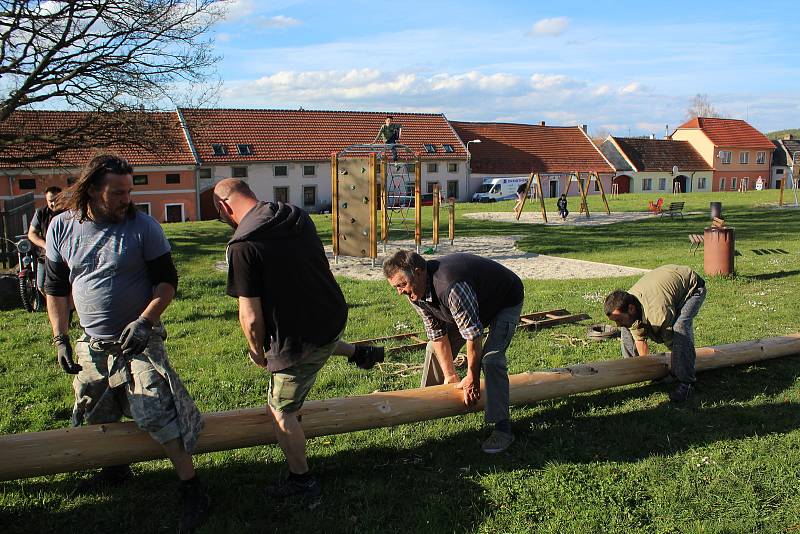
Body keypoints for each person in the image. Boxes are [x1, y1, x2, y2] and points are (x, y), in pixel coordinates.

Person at [44, 154, 209, 533]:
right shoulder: (61, 228)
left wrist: (145, 320)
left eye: (129, 191)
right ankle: (114, 470)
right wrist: (60, 337)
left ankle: (192, 488)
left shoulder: (143, 227)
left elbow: (167, 283)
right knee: (92, 410)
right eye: (117, 192)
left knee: (157, 411)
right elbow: (54, 288)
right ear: (91, 191)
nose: (126, 199)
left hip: (138, 339)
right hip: (91, 343)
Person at [214, 178, 383, 506]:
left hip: (300, 338)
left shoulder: (242, 245)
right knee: (317, 343)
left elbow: (250, 317)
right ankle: (358, 352)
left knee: (281, 410)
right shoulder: (293, 214)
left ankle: (301, 480)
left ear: (224, 207)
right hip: (331, 315)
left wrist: (256, 351)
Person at [383, 250, 523, 454]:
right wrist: (450, 375)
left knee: (491, 360)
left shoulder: (451, 286)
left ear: (419, 272)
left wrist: (472, 378)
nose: (400, 292)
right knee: (434, 348)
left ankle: (503, 428)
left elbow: (473, 335)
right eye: (396, 287)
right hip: (472, 305)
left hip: (504, 300)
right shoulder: (415, 292)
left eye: (401, 284)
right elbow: (437, 334)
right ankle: (426, 404)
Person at [604, 265, 707, 402]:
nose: (616, 324)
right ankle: (631, 369)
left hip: (692, 288)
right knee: (625, 326)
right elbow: (638, 336)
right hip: (664, 287)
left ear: (631, 308)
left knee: (680, 328)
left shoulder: (658, 314)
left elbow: (674, 343)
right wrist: (647, 368)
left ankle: (687, 383)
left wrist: (674, 371)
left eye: (618, 319)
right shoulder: (628, 303)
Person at [28, 186, 63, 295]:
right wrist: (45, 245)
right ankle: (52, 307)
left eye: (56, 200)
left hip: (65, 255)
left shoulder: (68, 213)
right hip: (45, 255)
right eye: (50, 201)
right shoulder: (40, 213)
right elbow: (32, 234)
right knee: (41, 285)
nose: (53, 204)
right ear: (46, 200)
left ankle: (67, 309)